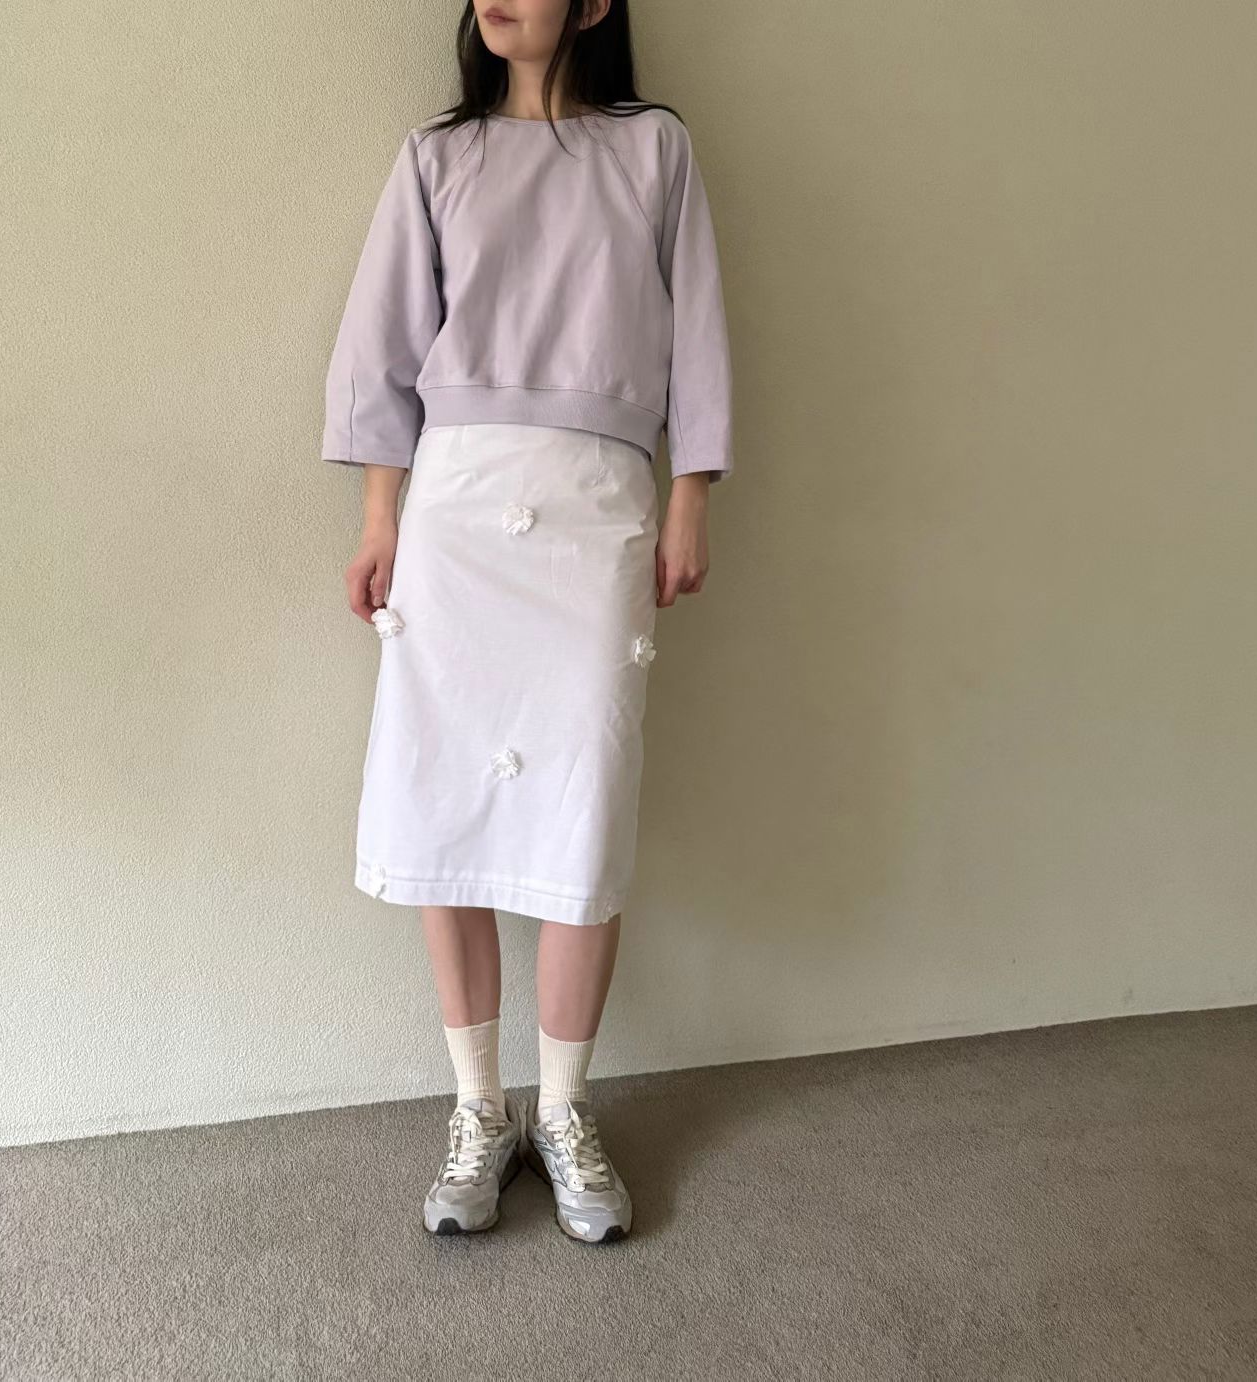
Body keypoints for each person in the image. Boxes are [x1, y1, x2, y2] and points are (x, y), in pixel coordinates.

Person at [321, 0, 733, 1243]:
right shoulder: (435, 155)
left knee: (582, 798)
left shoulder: (654, 147)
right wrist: (379, 518)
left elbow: (699, 331)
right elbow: (382, 345)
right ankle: (476, 1105)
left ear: (594, 2)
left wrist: (691, 495)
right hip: (456, 508)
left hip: (599, 503)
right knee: (442, 793)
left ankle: (562, 1107)